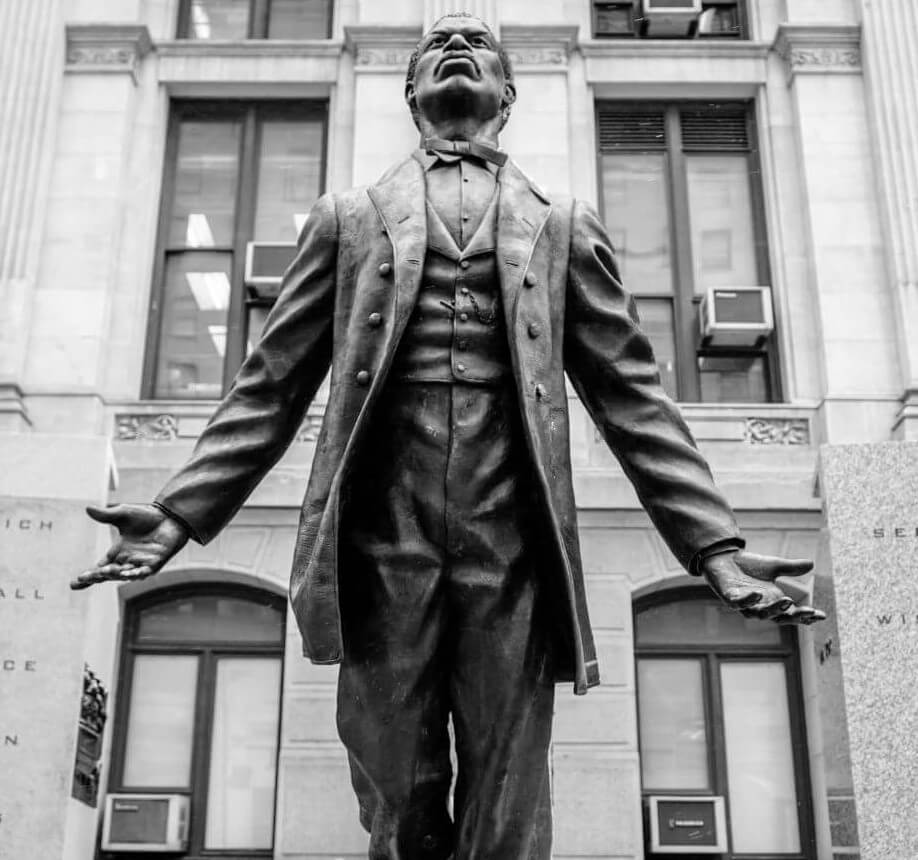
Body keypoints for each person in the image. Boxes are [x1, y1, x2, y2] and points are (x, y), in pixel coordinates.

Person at [74, 13, 824, 859]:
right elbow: (271, 382)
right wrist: (179, 515)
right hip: (381, 538)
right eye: (434, 46)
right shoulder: (348, 219)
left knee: (510, 785)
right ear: (409, 92)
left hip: (510, 541)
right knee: (396, 782)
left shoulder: (564, 225)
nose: (455, 46)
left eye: (477, 45)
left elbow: (634, 396)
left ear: (509, 92)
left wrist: (712, 545)